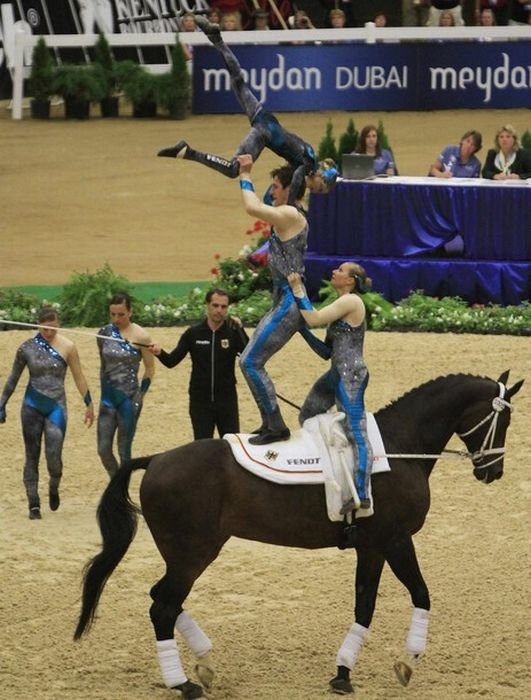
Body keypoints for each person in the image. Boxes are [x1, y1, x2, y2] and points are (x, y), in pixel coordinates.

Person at [157, 14, 338, 207]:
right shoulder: (308, 165)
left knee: (238, 79)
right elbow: (293, 182)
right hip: (264, 133)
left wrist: (270, 201)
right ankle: (188, 152)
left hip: (266, 119)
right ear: (320, 175)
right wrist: (294, 206)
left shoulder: (309, 156)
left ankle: (216, 38)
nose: (314, 189)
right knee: (234, 169)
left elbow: (282, 180)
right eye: (319, 187)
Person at [237, 154, 331, 445]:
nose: (272, 191)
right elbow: (264, 198)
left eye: (277, 186)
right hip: (282, 297)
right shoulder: (290, 211)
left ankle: (275, 425)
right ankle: (269, 422)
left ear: (289, 189)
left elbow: (252, 205)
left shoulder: (290, 215)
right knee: (250, 360)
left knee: (250, 362)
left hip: (289, 300)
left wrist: (245, 172)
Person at [287, 263, 373, 512]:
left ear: (351, 281)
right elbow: (326, 352)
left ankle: (361, 491)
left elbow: (314, 318)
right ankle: (327, 466)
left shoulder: (352, 302)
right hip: (336, 373)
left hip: (351, 376)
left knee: (356, 430)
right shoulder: (341, 306)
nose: (335, 271)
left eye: (341, 270)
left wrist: (297, 288)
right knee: (308, 413)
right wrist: (301, 330)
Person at [0, 306, 94, 519]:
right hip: (31, 406)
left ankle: (54, 484)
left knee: (54, 455)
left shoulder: (68, 347)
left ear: (58, 325)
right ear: (37, 326)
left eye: (52, 329)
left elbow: (78, 376)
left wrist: (89, 402)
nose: (48, 333)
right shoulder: (27, 348)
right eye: (44, 329)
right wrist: (2, 403)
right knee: (31, 455)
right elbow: (13, 377)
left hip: (56, 407)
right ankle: (33, 503)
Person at [149, 288, 249, 440]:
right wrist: (159, 353)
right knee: (202, 448)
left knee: (232, 446)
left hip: (227, 401)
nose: (219, 310)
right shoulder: (193, 333)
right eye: (215, 305)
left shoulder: (232, 333)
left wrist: (241, 330)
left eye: (223, 307)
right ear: (207, 305)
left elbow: (249, 356)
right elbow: (172, 361)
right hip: (200, 402)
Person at [97, 292, 155, 477]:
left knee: (124, 450)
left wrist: (140, 395)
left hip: (129, 400)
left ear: (130, 312)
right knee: (103, 449)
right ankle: (116, 482)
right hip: (107, 399)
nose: (116, 319)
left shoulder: (141, 336)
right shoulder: (104, 333)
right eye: (113, 314)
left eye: (121, 314)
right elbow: (103, 365)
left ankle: (120, 491)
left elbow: (149, 368)